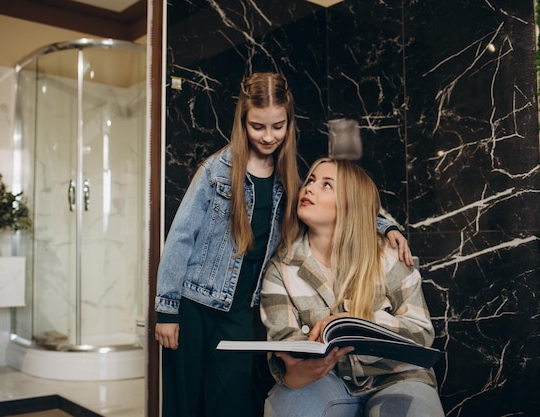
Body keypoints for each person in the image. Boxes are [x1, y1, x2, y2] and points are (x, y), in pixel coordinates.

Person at [154, 72, 413, 417]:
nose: (268, 136)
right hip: (195, 303)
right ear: (243, 121)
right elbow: (181, 237)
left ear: (289, 122)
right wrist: (166, 311)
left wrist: (387, 225)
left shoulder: (288, 176)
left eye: (278, 126)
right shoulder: (216, 171)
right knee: (182, 402)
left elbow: (350, 194)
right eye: (258, 127)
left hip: (242, 312)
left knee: (230, 401)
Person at [260, 158, 445, 417]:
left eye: (327, 185)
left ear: (350, 203)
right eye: (311, 180)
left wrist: (359, 322)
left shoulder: (388, 254)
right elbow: (283, 344)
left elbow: (422, 333)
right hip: (325, 380)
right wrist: (295, 373)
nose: (310, 188)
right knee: (288, 407)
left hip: (397, 375)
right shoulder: (281, 269)